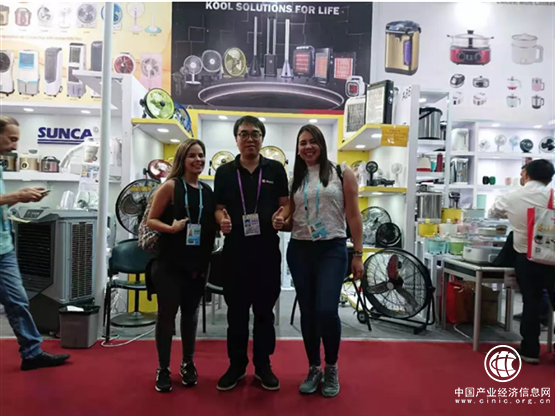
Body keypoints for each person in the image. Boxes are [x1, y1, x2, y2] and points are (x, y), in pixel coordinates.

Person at [282, 124, 364, 397]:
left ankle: (331, 366)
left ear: (322, 144)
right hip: (300, 249)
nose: (308, 147)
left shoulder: (342, 172)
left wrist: (358, 254)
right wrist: (279, 220)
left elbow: (354, 215)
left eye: (312, 141)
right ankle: (313, 367)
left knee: (326, 310)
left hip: (332, 248)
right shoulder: (295, 178)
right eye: (302, 143)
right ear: (297, 149)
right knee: (308, 312)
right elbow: (291, 218)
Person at [214, 115, 290, 391]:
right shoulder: (224, 172)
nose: (250, 139)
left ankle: (263, 365)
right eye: (244, 134)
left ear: (262, 138)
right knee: (235, 313)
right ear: (236, 139)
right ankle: (236, 365)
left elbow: (286, 204)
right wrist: (221, 221)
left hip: (266, 252)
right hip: (235, 252)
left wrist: (282, 217)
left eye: (255, 134)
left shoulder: (275, 169)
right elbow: (218, 208)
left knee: (264, 313)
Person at [0, 116, 70, 370]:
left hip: (4, 248)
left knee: (18, 300)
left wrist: (20, 199)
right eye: (12, 139)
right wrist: (17, 195)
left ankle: (31, 353)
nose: (15, 145)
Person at [147, 139, 217, 392]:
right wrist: (171, 228)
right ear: (182, 160)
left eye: (201, 155)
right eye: (192, 156)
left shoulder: (207, 191)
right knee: (166, 315)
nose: (198, 160)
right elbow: (151, 220)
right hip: (169, 262)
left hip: (197, 264)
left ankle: (188, 363)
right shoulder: (170, 186)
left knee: (191, 314)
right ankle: (163, 368)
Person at [489, 159, 555, 364]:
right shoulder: (553, 195)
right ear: (550, 178)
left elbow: (492, 212)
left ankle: (530, 350)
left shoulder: (513, 196)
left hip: (526, 257)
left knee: (531, 302)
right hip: (554, 257)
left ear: (526, 175)